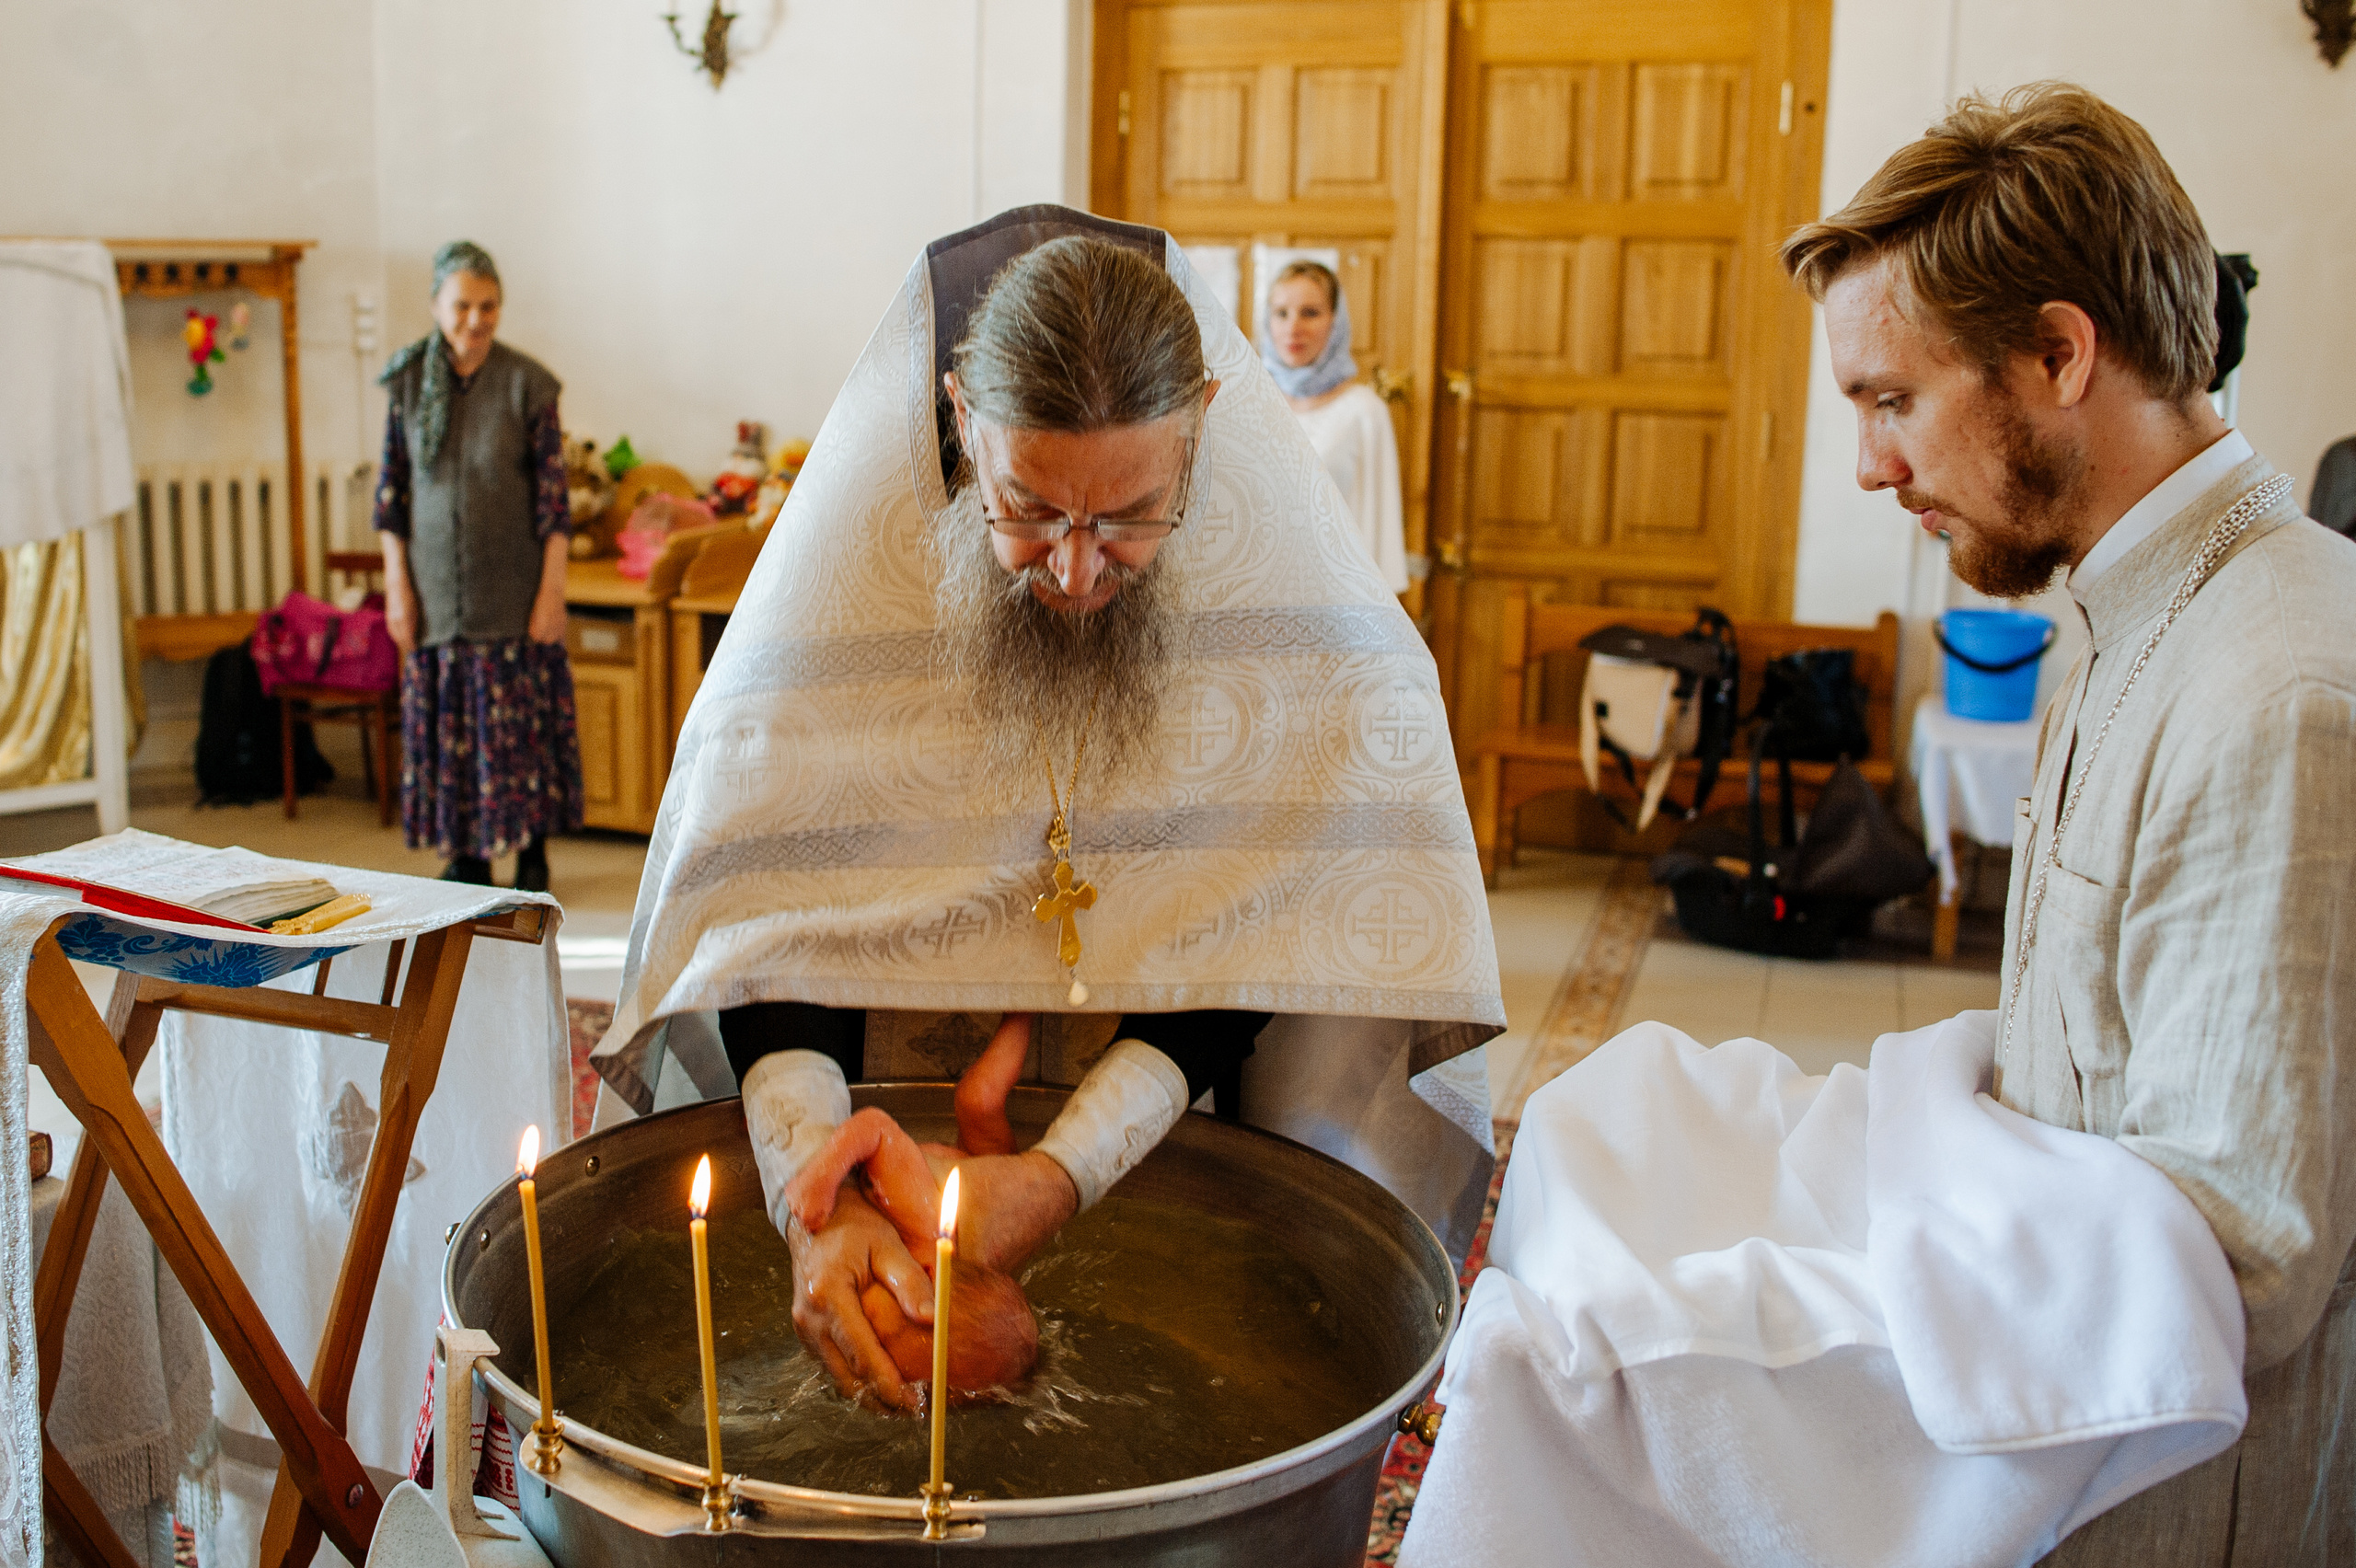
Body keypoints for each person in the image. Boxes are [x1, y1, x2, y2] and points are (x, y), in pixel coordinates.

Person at [1403, 83, 2356, 1567]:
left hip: (2159, 1492)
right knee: (1621, 1140)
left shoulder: (2281, 691)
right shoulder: (2132, 597)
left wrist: (1782, 1328)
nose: (1868, 464)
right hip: (2060, 1344)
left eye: (1891, 399)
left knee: (1619, 1368)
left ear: (2058, 353)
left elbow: (2243, 1258)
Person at [587, 206, 1502, 1414]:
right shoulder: (835, 605)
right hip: (869, 1095)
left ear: (1206, 431)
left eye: (1129, 516)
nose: (1076, 571)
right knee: (873, 1385)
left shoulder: (1306, 641)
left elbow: (1282, 919)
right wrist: (815, 1187)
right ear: (964, 419)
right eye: (1027, 508)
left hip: (1184, 1128)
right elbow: (769, 906)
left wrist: (1070, 1168)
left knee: (1176, 1392)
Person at [374, 240, 583, 889]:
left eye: (487, 306)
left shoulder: (529, 386)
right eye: (462, 305)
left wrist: (553, 591)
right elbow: (391, 495)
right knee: (453, 730)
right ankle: (467, 854)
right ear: (437, 305)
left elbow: (555, 503)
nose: (475, 319)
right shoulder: (408, 385)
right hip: (436, 600)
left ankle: (532, 853)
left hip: (513, 599)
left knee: (519, 735)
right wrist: (396, 589)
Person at [1263, 260, 1410, 593]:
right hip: (1257, 588)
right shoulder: (1250, 401)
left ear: (1336, 321)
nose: (1293, 327)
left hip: (1336, 594)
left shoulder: (1364, 411)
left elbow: (1380, 522)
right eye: (1281, 313)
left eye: (1310, 313)